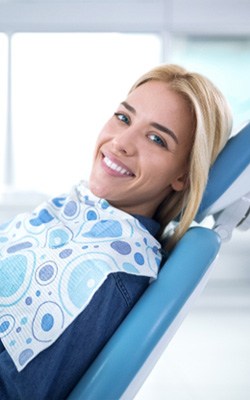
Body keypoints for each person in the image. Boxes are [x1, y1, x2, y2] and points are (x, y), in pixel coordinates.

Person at [0, 64, 232, 399]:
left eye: (157, 139)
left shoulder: (103, 272)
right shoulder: (74, 210)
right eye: (124, 118)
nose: (120, 142)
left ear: (182, 175)